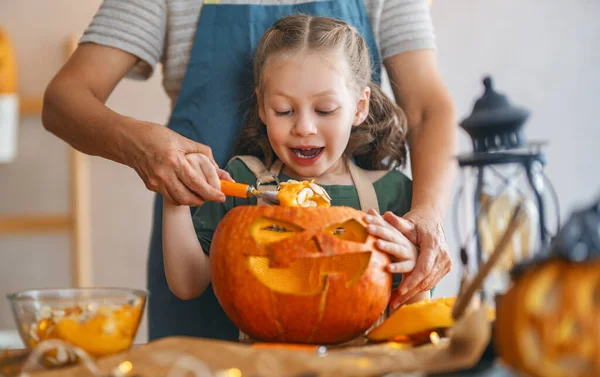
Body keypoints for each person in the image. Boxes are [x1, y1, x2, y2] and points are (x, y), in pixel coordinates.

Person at [41, 0, 457, 341]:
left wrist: (424, 230)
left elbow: (426, 109)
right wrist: (171, 186)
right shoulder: (243, 177)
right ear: (262, 107)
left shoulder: (393, 196)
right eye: (283, 110)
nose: (304, 127)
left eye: (326, 109)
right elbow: (65, 99)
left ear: (359, 107)